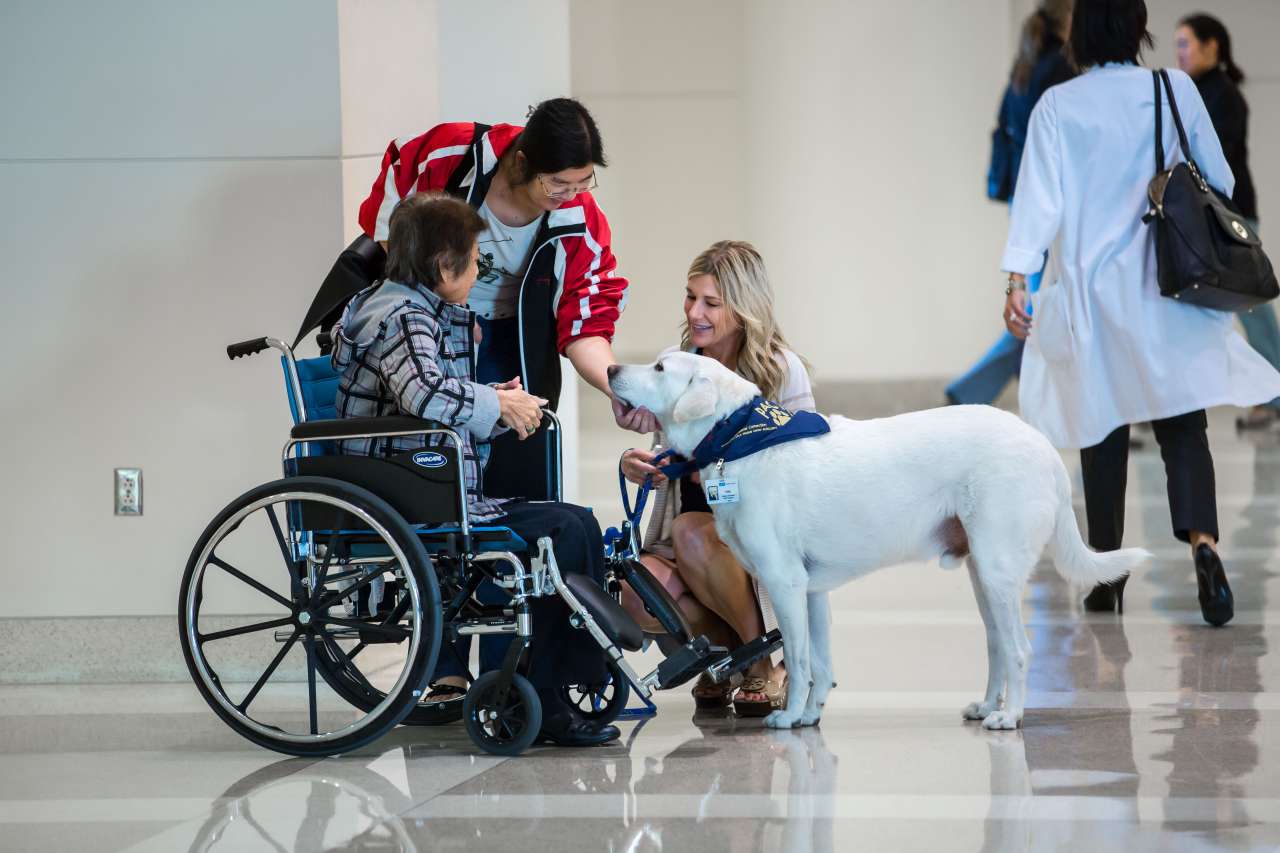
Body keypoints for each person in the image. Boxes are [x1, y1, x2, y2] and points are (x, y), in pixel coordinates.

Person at [1000, 0, 1280, 626]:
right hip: (1167, 287)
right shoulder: (1172, 88)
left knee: (1102, 430)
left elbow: (1038, 204)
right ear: (1138, 30)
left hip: (1093, 296)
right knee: (1183, 424)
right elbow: (1221, 179)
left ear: (1079, 35)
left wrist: (1017, 280)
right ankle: (1204, 546)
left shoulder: (1058, 106)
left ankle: (1108, 576)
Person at [331, 193, 619, 746]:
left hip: (418, 481)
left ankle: (559, 682)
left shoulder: (399, 307)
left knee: (576, 522)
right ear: (445, 267)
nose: (479, 273)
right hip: (412, 496)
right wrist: (495, 404)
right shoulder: (403, 317)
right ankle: (551, 695)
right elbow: (423, 393)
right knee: (565, 530)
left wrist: (495, 399)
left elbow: (423, 398)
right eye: (475, 262)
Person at [619, 241, 813, 715]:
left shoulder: (782, 370)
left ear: (744, 309)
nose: (695, 313)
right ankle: (728, 659)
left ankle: (762, 663)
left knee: (693, 532)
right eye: (690, 297)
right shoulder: (675, 360)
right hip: (685, 524)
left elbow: (806, 464)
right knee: (635, 595)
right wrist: (635, 461)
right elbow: (662, 445)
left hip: (756, 537)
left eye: (711, 302)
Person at [946, 0, 1075, 406]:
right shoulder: (1060, 67)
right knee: (1034, 307)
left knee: (1030, 302)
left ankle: (971, 390)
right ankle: (988, 390)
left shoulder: (1023, 68)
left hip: (1023, 194)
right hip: (1048, 193)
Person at [1175, 13, 1280, 431]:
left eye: (1186, 43)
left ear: (1211, 46)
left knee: (1251, 305)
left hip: (1229, 216)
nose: (1180, 53)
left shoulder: (1224, 96)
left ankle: (1275, 395)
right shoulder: (1196, 92)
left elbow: (1211, 159)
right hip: (1210, 214)